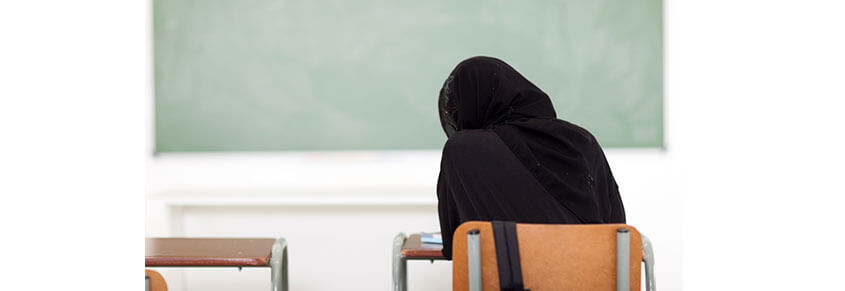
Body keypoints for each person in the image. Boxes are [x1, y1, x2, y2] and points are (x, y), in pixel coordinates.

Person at [436, 56, 626, 259]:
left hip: (513, 282)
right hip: (593, 279)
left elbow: (453, 244)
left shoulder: (462, 150)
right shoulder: (582, 140)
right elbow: (617, 229)